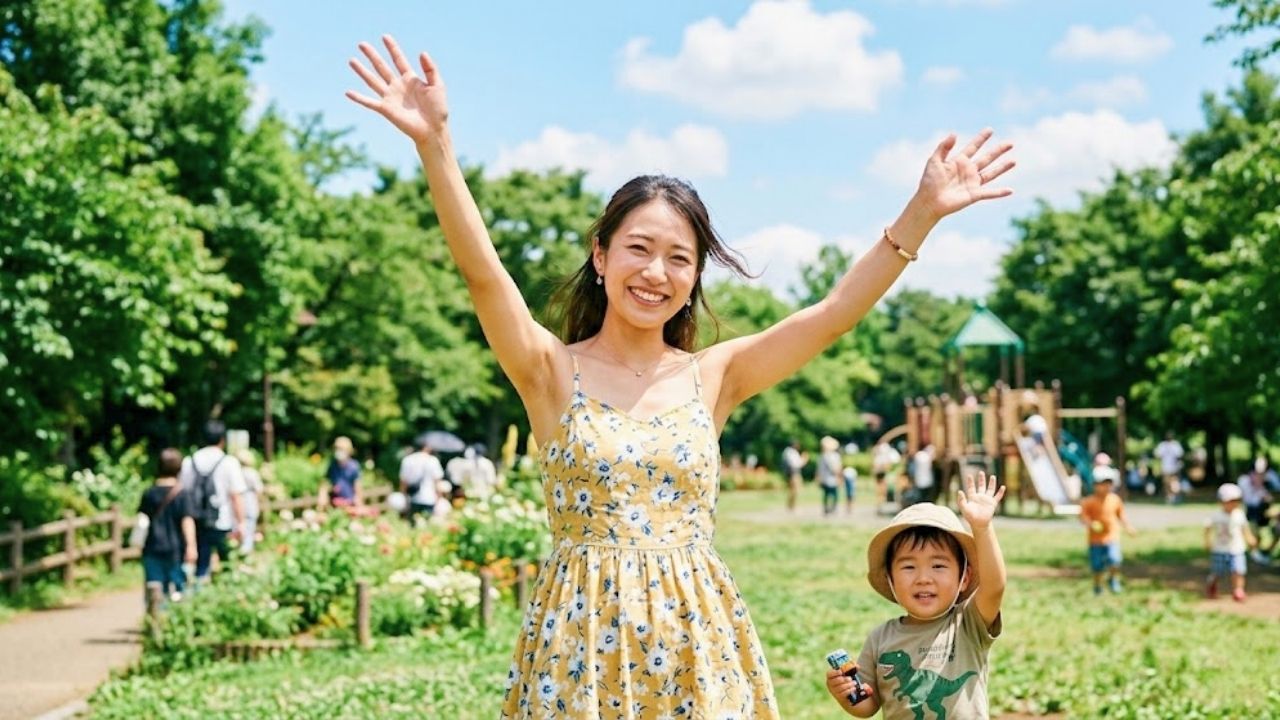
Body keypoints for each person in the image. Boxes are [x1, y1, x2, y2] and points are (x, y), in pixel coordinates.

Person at [347, 34, 1013, 717]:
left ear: (694, 276)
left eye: (678, 258)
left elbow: (834, 314)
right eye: (638, 248)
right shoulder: (549, 370)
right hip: (581, 647)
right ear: (601, 256)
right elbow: (484, 276)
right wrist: (436, 145)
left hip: (698, 644)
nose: (655, 272)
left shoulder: (714, 375)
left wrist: (922, 211)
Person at [825, 473, 1007, 718]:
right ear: (890, 579)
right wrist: (847, 693)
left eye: (938, 566)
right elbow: (867, 705)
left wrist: (982, 529)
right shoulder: (880, 638)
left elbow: (994, 587)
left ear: (964, 577)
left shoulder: (968, 623)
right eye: (909, 567)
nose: (923, 578)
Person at [179, 420, 246, 581]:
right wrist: (241, 523)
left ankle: (199, 591)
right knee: (228, 565)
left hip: (197, 521)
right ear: (223, 439)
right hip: (223, 521)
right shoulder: (229, 462)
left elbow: (183, 492)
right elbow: (236, 496)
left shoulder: (189, 461)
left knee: (201, 567)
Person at [139, 448, 197, 601]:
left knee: (154, 589)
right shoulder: (182, 494)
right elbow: (187, 521)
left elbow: (142, 520)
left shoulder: (149, 493)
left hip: (152, 547)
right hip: (175, 549)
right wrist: (191, 546)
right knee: (177, 591)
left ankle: (154, 614)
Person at [1078, 468, 1136, 595]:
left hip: (1112, 537)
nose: (1106, 487)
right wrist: (1090, 524)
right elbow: (1083, 517)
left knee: (1115, 559)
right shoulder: (1089, 501)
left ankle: (1113, 579)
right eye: (1103, 484)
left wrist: (1128, 527)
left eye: (1109, 484)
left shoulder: (1115, 500)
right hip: (1095, 540)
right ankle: (1097, 585)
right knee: (1097, 565)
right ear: (1095, 485)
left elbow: (1121, 515)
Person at [1204, 483, 1258, 602]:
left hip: (1236, 548)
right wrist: (1207, 542)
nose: (1234, 504)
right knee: (1217, 572)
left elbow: (1244, 528)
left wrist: (1250, 539)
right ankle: (1212, 584)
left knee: (1238, 570)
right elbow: (1207, 528)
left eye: (1236, 501)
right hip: (1219, 549)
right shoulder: (1216, 515)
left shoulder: (1239, 515)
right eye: (1230, 501)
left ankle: (1238, 590)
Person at [1237, 457, 1276, 565]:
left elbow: (1272, 493)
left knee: (1272, 530)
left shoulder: (1268, 479)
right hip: (1251, 509)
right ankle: (1255, 553)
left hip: (1263, 509)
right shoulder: (1244, 480)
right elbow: (1244, 497)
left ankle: (1264, 552)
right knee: (1254, 531)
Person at [399, 437, 445, 521]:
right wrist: (439, 498)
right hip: (429, 498)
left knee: (412, 523)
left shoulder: (407, 460)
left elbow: (403, 482)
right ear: (426, 447)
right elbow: (437, 482)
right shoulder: (433, 460)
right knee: (427, 524)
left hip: (412, 498)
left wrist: (404, 498)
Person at [233, 449, 264, 555]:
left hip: (237, 501)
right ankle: (246, 550)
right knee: (250, 526)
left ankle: (237, 548)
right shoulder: (252, 473)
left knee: (237, 525)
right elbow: (259, 489)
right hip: (250, 500)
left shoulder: (236, 472)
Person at [321, 436, 362, 509]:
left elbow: (357, 486)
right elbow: (325, 482)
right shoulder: (333, 465)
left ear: (348, 450)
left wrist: (358, 500)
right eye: (336, 448)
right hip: (335, 503)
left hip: (349, 503)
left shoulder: (353, 466)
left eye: (341, 449)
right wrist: (323, 495)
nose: (338, 451)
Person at [1153, 431, 1184, 504]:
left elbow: (1179, 456)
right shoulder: (1163, 445)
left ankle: (1174, 496)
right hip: (1166, 467)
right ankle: (1170, 497)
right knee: (1168, 483)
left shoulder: (1174, 445)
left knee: (1173, 482)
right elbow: (1157, 455)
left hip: (1172, 467)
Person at [818, 436, 843, 516]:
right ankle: (830, 508)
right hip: (829, 478)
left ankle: (831, 508)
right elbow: (834, 468)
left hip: (830, 478)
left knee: (830, 494)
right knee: (830, 494)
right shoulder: (827, 455)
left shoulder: (828, 455)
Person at [782, 439, 809, 512]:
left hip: (792, 473)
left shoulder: (787, 451)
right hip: (794, 473)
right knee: (795, 490)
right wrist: (804, 459)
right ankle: (792, 507)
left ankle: (791, 506)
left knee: (793, 490)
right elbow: (796, 464)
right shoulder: (791, 452)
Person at [871, 440, 901, 505]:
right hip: (880, 470)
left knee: (883, 486)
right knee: (880, 486)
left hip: (882, 470)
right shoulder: (881, 450)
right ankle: (881, 500)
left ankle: (882, 500)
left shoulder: (884, 449)